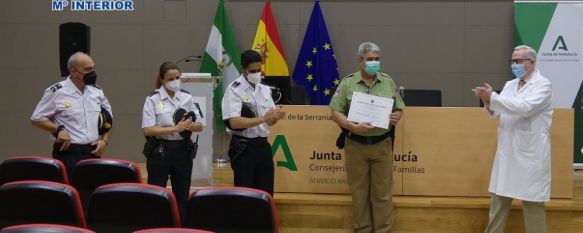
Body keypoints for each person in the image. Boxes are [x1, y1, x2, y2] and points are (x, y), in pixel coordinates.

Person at [474, 45, 552, 233]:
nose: (514, 65)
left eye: (519, 61)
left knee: (533, 205)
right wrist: (487, 101)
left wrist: (493, 96)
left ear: (532, 62)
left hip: (530, 155)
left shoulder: (543, 85)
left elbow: (524, 108)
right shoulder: (510, 85)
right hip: (508, 153)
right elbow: (499, 111)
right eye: (512, 61)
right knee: (498, 203)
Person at [329, 42, 405, 233]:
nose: (374, 63)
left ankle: (384, 231)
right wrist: (351, 126)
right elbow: (335, 112)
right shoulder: (347, 83)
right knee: (359, 194)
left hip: (382, 145)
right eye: (370, 59)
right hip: (356, 145)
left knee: (383, 194)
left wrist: (397, 116)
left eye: (377, 59)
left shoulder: (388, 81)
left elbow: (398, 108)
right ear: (360, 61)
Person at [31, 52, 113, 176]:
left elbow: (108, 119)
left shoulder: (96, 91)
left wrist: (104, 141)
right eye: (87, 69)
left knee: (92, 191)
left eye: (93, 68)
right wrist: (58, 129)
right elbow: (36, 119)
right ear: (73, 72)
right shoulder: (56, 92)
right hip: (68, 152)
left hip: (93, 151)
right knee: (69, 191)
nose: (93, 73)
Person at [141, 61, 203, 218]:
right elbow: (148, 129)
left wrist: (188, 126)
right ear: (162, 79)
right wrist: (175, 128)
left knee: (182, 196)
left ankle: (180, 226)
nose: (175, 81)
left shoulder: (187, 97)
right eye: (170, 78)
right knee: (156, 195)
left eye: (177, 77)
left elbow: (200, 125)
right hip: (160, 152)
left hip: (183, 152)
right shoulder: (153, 99)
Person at [222, 49, 285, 196]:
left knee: (266, 193)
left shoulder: (264, 89)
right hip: (244, 148)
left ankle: (263, 220)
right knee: (245, 195)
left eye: (259, 70)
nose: (256, 73)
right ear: (243, 69)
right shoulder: (234, 90)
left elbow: (269, 123)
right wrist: (264, 118)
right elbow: (234, 122)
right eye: (253, 71)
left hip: (263, 146)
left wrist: (274, 117)